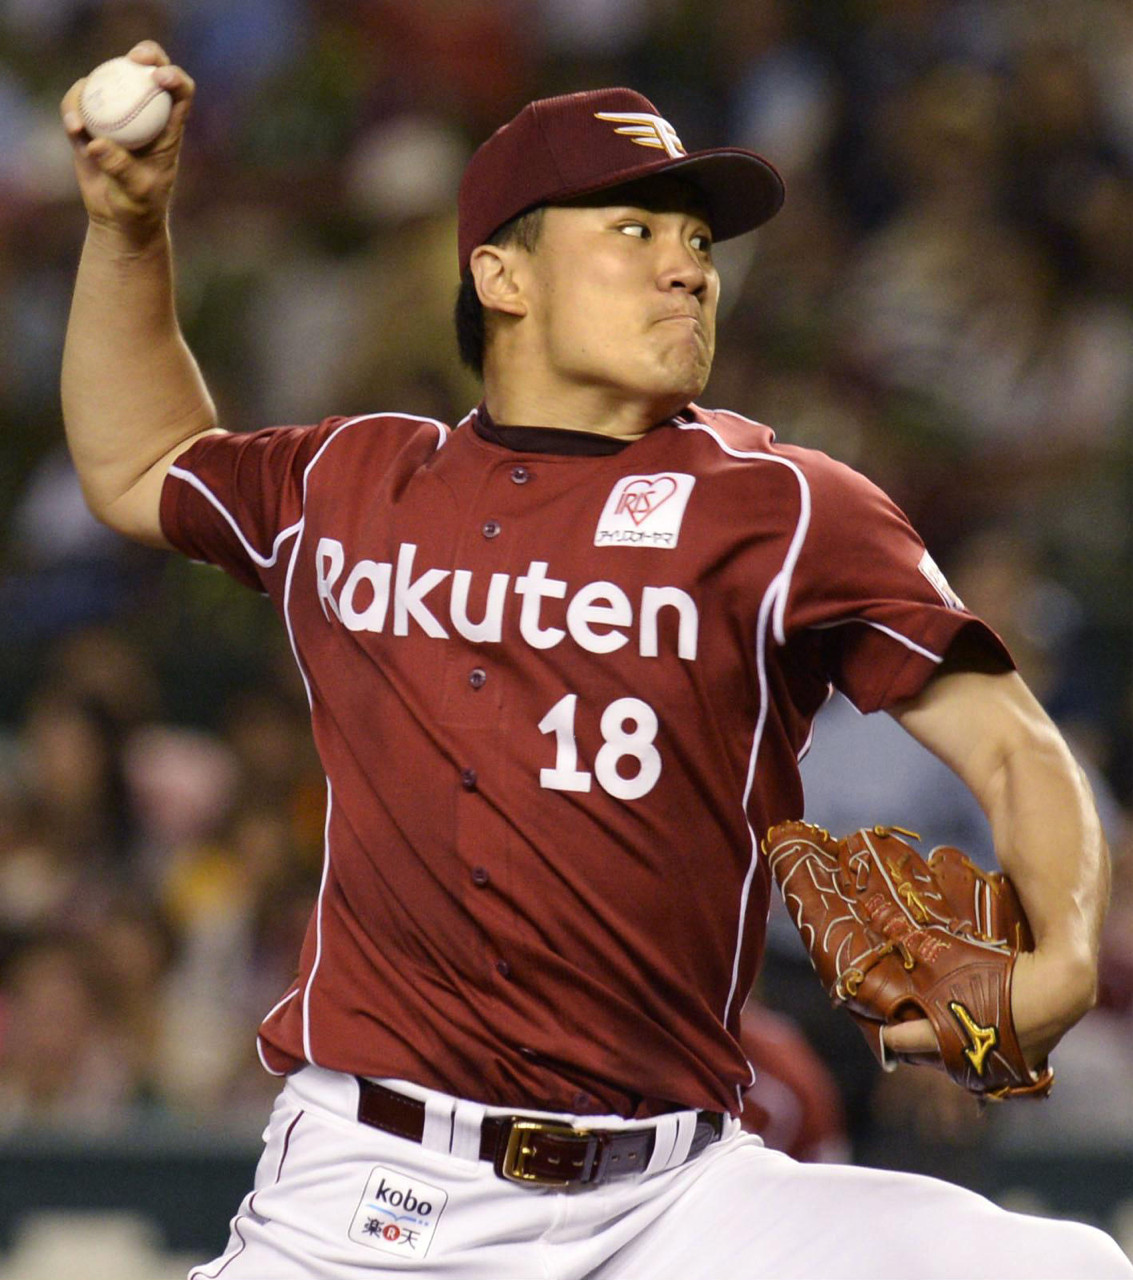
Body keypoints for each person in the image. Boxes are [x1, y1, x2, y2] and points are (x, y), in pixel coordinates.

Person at [59, 41, 1130, 1280]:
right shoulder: (353, 480)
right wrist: (126, 228)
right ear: (500, 272)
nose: (688, 266)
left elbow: (1012, 743)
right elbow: (139, 465)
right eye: (634, 230)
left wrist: (1060, 953)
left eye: (697, 240)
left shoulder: (785, 507)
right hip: (379, 1186)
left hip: (679, 1192)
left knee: (1065, 1268)